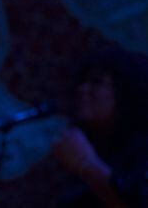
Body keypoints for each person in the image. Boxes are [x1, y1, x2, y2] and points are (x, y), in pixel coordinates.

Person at [52, 48, 148, 207]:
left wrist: (87, 164)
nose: (82, 89)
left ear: (127, 92)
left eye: (96, 82)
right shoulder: (95, 147)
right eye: (82, 82)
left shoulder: (142, 153)